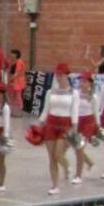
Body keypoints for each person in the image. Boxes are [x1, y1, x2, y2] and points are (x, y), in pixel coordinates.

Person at [38, 64, 78, 195]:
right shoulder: (50, 92)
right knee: (51, 157)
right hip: (50, 124)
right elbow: (46, 110)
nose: (59, 77)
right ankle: (55, 185)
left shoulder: (73, 93)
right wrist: (40, 123)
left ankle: (66, 166)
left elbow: (74, 111)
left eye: (61, 75)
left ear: (67, 75)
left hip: (65, 125)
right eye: (57, 75)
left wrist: (74, 128)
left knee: (58, 154)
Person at [71, 73, 101, 185]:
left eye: (84, 81)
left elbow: (96, 113)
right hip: (77, 122)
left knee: (79, 148)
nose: (82, 84)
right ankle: (89, 163)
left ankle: (78, 175)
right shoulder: (75, 94)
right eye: (81, 81)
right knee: (76, 149)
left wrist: (98, 127)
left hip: (88, 124)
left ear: (90, 83)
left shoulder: (93, 97)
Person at [8, 49, 28, 115]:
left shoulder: (19, 62)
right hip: (13, 82)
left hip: (18, 82)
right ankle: (12, 111)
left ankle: (19, 111)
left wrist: (11, 78)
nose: (11, 55)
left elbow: (17, 73)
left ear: (16, 54)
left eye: (12, 53)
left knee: (18, 96)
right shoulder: (12, 62)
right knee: (12, 97)